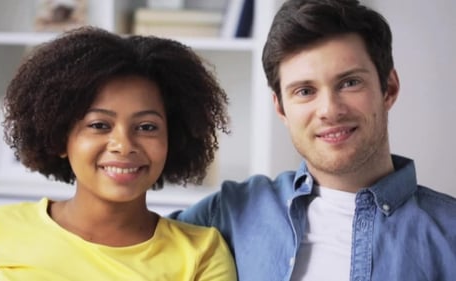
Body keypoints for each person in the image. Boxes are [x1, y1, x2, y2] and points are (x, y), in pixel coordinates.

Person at [170, 0, 456, 280]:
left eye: (349, 83)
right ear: (281, 107)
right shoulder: (230, 212)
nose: (329, 110)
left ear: (389, 88)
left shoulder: (450, 233)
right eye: (305, 91)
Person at [0, 26, 237, 280]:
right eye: (99, 125)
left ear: (173, 138)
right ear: (59, 137)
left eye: (147, 126)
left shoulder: (202, 253)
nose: (123, 144)